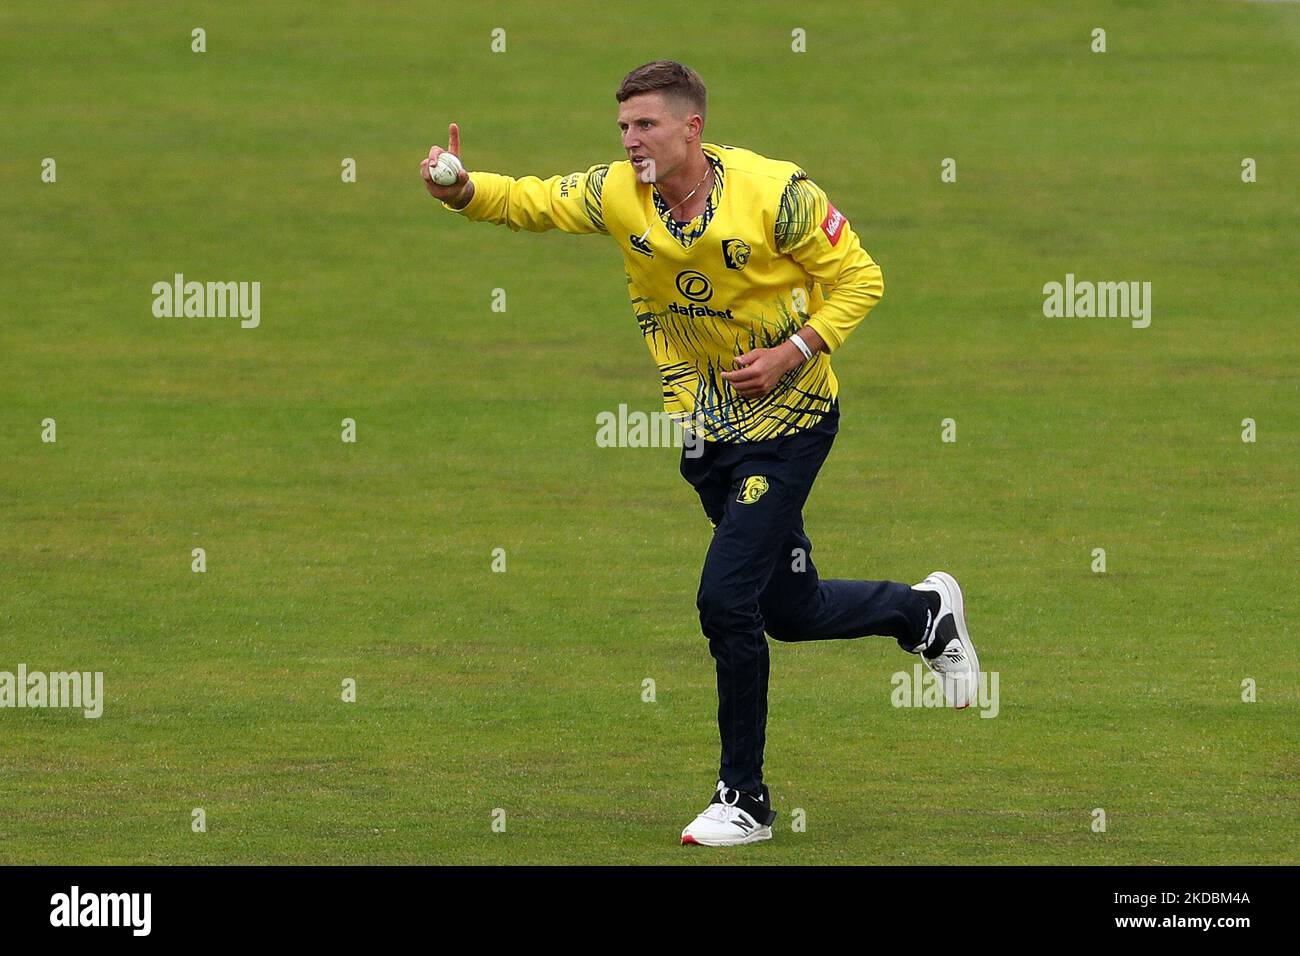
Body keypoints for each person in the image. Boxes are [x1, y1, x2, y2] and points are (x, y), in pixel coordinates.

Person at [422, 60, 981, 847]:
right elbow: (533, 202)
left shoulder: (776, 195)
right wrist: (461, 190)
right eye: (622, 128)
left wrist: (793, 350)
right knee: (784, 609)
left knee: (724, 601)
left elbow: (861, 278)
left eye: (645, 126)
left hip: (791, 425)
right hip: (705, 434)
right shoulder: (621, 194)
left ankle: (743, 800)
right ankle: (921, 614)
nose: (630, 142)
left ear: (693, 128)